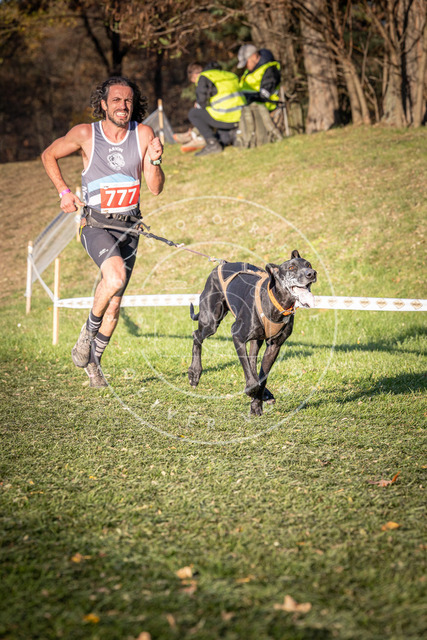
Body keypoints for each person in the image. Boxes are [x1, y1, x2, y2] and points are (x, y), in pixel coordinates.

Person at [41, 76, 165, 387]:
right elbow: (48, 154)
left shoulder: (143, 134)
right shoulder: (86, 134)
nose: (123, 106)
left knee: (114, 302)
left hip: (130, 226)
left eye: (128, 100)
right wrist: (64, 192)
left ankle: (94, 363)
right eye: (116, 100)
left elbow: (155, 188)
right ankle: (87, 333)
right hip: (96, 223)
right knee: (115, 277)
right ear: (103, 105)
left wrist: (155, 159)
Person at [187, 62, 247, 156]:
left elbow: (201, 103)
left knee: (193, 113)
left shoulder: (204, 77)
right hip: (241, 117)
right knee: (223, 138)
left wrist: (198, 106)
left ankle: (212, 144)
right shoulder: (230, 75)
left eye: (194, 81)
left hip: (225, 117)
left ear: (194, 76)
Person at [237, 44, 281, 112]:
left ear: (254, 57)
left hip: (266, 112)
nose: (245, 66)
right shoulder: (249, 71)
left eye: (246, 62)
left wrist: (247, 96)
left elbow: (264, 94)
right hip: (251, 110)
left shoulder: (270, 70)